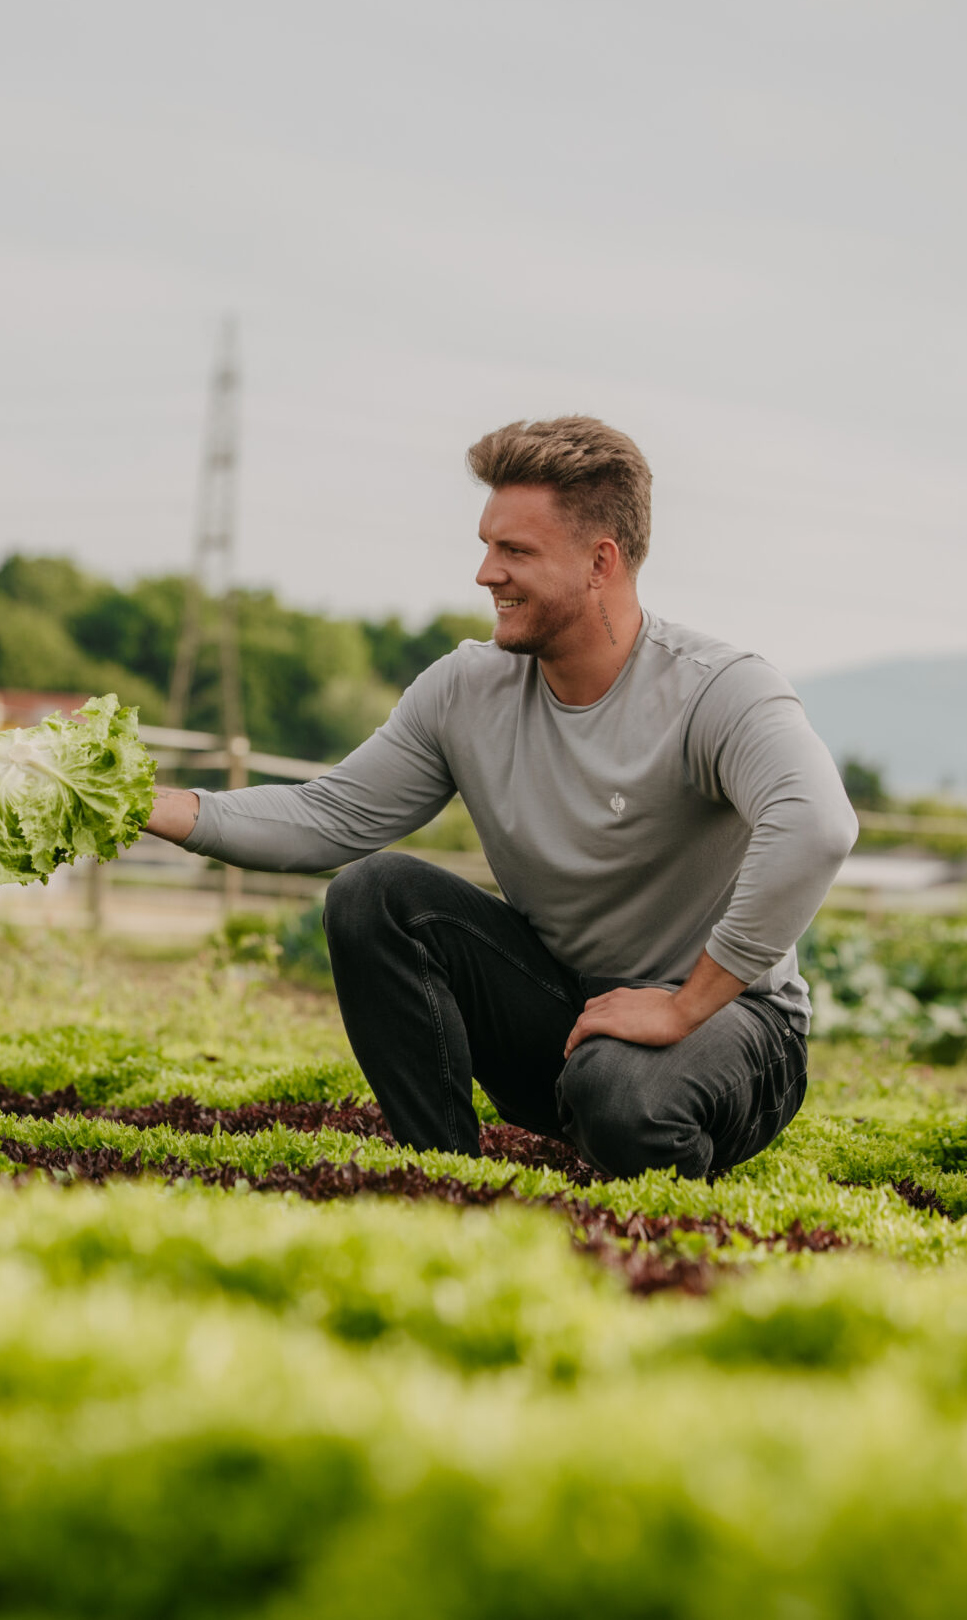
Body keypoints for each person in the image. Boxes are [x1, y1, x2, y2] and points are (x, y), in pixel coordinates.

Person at [144, 417, 856, 1178]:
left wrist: (685, 1005)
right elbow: (329, 816)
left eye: (515, 551)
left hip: (731, 1022)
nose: (486, 573)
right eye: (487, 546)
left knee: (618, 1093)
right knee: (374, 894)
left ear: (600, 562)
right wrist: (144, 805)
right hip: (566, 1012)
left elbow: (816, 825)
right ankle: (446, 1180)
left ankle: (649, 1189)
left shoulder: (718, 689)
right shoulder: (466, 690)